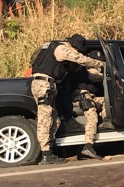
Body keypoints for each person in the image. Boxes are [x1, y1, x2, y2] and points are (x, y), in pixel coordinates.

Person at [29, 34, 104, 164]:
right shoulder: (62, 49)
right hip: (44, 84)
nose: (77, 52)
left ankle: (49, 152)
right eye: (77, 49)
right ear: (73, 46)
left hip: (44, 84)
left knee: (55, 120)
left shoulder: (51, 47)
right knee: (45, 118)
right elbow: (80, 59)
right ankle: (46, 154)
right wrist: (99, 63)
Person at [63, 64, 105, 160]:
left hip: (92, 95)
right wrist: (108, 75)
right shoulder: (85, 70)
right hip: (81, 94)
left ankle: (107, 123)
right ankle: (88, 146)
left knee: (108, 102)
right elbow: (93, 76)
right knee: (92, 114)